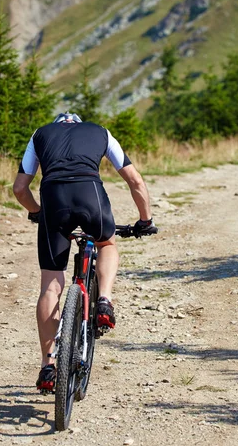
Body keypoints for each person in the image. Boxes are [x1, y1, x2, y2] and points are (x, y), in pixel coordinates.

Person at [13, 112, 156, 392]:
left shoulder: (40, 134)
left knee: (50, 286)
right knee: (107, 244)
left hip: (53, 198)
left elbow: (20, 188)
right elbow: (135, 180)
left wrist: (38, 213)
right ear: (78, 125)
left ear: (57, 125)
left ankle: (47, 367)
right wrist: (145, 220)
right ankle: (104, 300)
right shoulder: (100, 131)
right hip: (90, 194)